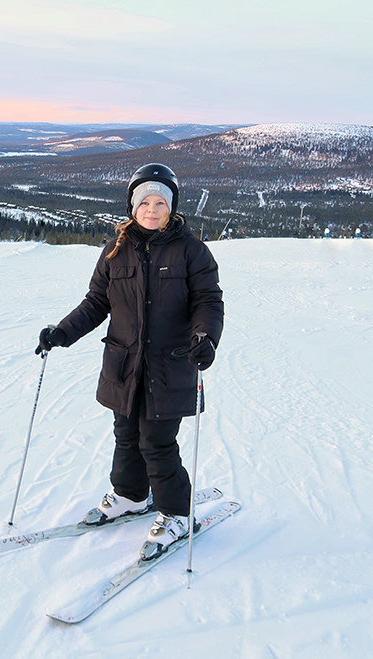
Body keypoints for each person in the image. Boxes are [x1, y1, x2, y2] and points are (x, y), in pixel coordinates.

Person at [35, 163, 224, 559]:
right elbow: (96, 303)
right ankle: (130, 495)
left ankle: (176, 513)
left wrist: (205, 337)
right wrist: (61, 333)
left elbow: (208, 301)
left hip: (170, 365)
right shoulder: (115, 250)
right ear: (132, 206)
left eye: (160, 202)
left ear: (172, 207)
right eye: (144, 202)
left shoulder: (191, 251)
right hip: (124, 364)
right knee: (126, 435)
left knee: (156, 442)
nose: (151, 210)